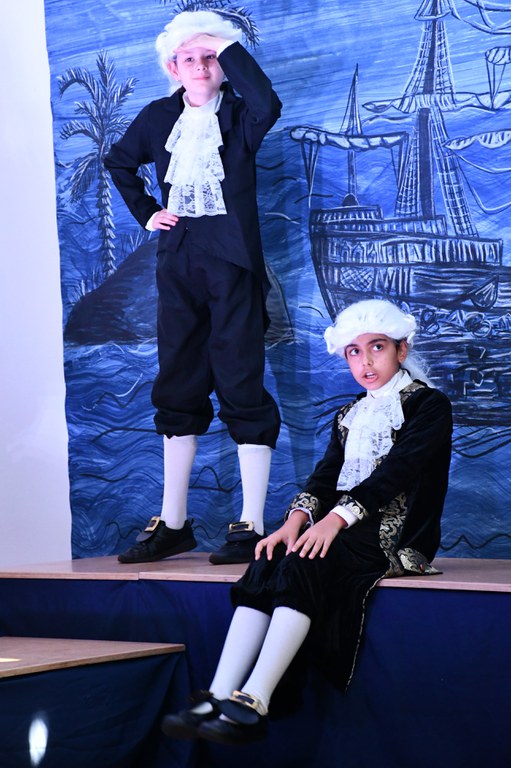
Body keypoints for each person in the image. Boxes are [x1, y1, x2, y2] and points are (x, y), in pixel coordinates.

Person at [161, 298, 453, 745]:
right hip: (344, 524)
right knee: (271, 557)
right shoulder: (349, 414)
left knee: (306, 561)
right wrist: (294, 522)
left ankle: (256, 699)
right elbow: (325, 476)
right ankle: (219, 694)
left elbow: (398, 473)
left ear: (402, 349)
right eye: (354, 352)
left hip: (394, 534)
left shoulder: (429, 405)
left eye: (377, 347)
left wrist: (334, 522)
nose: (365, 361)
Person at [104, 9, 282, 565]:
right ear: (172, 67)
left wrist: (221, 43)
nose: (200, 66)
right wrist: (147, 212)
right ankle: (174, 522)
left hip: (233, 263)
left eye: (210, 57)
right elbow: (119, 162)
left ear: (224, 64)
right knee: (178, 382)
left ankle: (251, 525)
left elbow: (268, 102)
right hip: (177, 261)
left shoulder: (240, 114)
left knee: (241, 381)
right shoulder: (158, 117)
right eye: (189, 58)